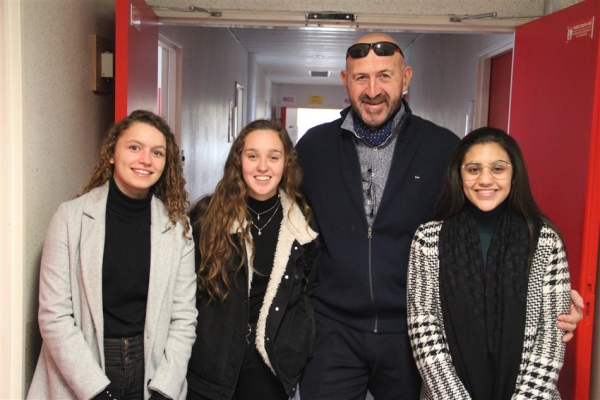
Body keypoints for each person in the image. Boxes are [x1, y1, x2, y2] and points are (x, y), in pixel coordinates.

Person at [296, 33, 583, 399]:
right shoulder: (313, 147)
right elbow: (285, 225)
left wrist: (550, 296)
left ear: (406, 78)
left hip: (415, 331)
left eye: (385, 76)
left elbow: (482, 226)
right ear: (345, 80)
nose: (372, 90)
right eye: (360, 78)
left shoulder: (442, 147)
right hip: (332, 328)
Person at [27, 110, 198, 400]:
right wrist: (95, 390)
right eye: (134, 148)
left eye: (157, 152)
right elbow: (54, 316)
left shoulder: (177, 227)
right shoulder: (71, 219)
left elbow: (184, 318)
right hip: (83, 370)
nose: (145, 159)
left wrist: (164, 389)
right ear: (111, 154)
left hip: (150, 371)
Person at [407, 127, 571, 399]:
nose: (485, 180)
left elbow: (550, 339)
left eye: (498, 168)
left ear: (513, 174)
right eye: (473, 169)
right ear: (459, 176)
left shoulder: (545, 240)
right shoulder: (428, 239)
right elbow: (423, 327)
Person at [186, 119, 320, 400]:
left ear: (286, 164)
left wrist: (297, 343)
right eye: (252, 156)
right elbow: (186, 294)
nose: (263, 166)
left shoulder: (302, 223)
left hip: (271, 369)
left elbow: (308, 292)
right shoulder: (207, 218)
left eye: (273, 157)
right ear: (239, 161)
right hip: (212, 366)